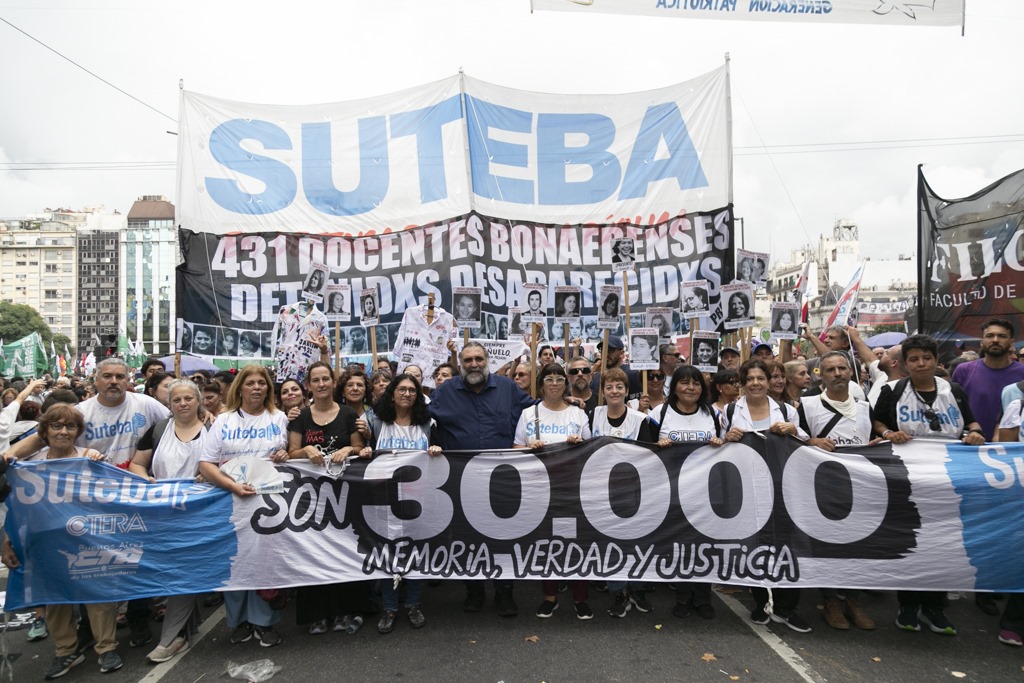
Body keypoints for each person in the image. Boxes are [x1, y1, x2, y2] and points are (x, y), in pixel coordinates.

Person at [873, 334, 984, 636]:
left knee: (944, 544)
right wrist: (889, 434)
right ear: (905, 364)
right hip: (908, 481)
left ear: (936, 360)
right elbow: (878, 423)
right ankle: (908, 605)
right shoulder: (893, 391)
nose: (921, 364)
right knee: (912, 542)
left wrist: (975, 433)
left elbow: (972, 422)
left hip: (949, 482)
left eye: (926, 358)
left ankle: (935, 607)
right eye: (914, 359)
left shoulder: (954, 390)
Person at [1, 405, 124, 677]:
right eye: (56, 426)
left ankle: (106, 648)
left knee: (98, 596)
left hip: (89, 541)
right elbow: (17, 509)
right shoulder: (29, 466)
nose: (63, 431)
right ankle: (65, 651)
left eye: (70, 426)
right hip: (46, 545)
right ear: (44, 431)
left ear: (78, 431)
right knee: (55, 599)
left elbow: (115, 498)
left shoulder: (89, 459)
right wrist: (6, 541)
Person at [429, 342, 536, 617]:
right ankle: (474, 589)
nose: (474, 364)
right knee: (466, 538)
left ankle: (504, 591)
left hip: (502, 480)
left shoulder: (507, 388)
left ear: (487, 360)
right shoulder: (445, 392)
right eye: (467, 360)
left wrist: (566, 405)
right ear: (460, 363)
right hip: (460, 481)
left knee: (504, 537)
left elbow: (534, 412)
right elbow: (419, 419)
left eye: (478, 358)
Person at [198, 365, 290, 648]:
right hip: (232, 500)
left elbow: (287, 455)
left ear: (268, 388)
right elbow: (206, 464)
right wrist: (232, 486)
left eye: (262, 383)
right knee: (236, 561)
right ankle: (239, 621)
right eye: (250, 383)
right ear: (239, 388)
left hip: (269, 503)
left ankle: (264, 622)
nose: (256, 387)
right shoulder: (224, 421)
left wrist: (284, 453)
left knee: (264, 562)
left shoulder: (279, 417)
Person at [723, 359, 810, 633]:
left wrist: (793, 430)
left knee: (786, 545)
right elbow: (719, 446)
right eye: (750, 379)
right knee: (754, 545)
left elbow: (805, 444)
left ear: (769, 381)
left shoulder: (786, 410)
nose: (756, 383)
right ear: (742, 383)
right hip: (747, 489)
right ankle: (761, 602)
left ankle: (786, 607)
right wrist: (727, 437)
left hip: (782, 488)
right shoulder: (730, 410)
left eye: (761, 378)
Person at [795, 351, 877, 632]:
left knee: (857, 546)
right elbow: (794, 442)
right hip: (822, 488)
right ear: (821, 375)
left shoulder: (865, 407)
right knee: (827, 544)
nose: (837, 374)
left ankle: (853, 600)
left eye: (842, 368)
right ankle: (830, 599)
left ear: (851, 372)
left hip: (859, 488)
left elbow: (874, 438)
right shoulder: (807, 406)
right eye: (830, 370)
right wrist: (811, 442)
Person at [286, 362, 368, 636]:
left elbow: (359, 447)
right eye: (316, 380)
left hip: (344, 494)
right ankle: (317, 614)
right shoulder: (300, 417)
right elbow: (291, 452)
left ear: (334, 383)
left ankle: (347, 609)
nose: (321, 384)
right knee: (313, 552)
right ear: (308, 385)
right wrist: (306, 450)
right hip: (309, 497)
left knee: (346, 549)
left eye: (326, 379)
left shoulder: (347, 414)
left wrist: (348, 449)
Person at [361, 373, 441, 634]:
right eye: (402, 389)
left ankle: (413, 604)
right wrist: (364, 450)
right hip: (382, 500)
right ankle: (389, 607)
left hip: (418, 500)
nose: (407, 394)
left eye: (412, 390)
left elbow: (439, 453)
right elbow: (361, 449)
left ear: (418, 396)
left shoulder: (428, 423)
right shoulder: (374, 421)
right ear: (392, 393)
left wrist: (436, 450)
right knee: (387, 553)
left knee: (414, 553)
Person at [515, 363, 592, 620]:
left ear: (566, 384)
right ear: (541, 385)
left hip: (571, 490)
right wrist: (530, 448)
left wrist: (579, 445)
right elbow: (515, 448)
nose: (555, 383)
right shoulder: (529, 413)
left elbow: (591, 450)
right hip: (539, 490)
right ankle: (550, 597)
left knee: (575, 544)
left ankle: (580, 598)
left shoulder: (577, 414)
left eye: (560, 378)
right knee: (546, 544)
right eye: (549, 379)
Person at [654, 365, 723, 621]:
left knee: (705, 545)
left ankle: (703, 597)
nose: (690, 388)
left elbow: (727, 446)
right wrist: (658, 446)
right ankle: (683, 596)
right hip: (672, 492)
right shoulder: (659, 413)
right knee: (680, 545)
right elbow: (645, 450)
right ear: (675, 388)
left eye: (696, 383)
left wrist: (720, 443)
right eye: (684, 383)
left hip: (705, 492)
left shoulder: (713, 414)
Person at [951, 319, 1024, 441]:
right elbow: (953, 409)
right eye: (990, 336)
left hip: (1012, 448)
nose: (995, 340)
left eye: (1001, 336)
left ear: (1011, 343)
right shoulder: (963, 370)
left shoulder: (1022, 372)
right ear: (982, 342)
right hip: (970, 445)